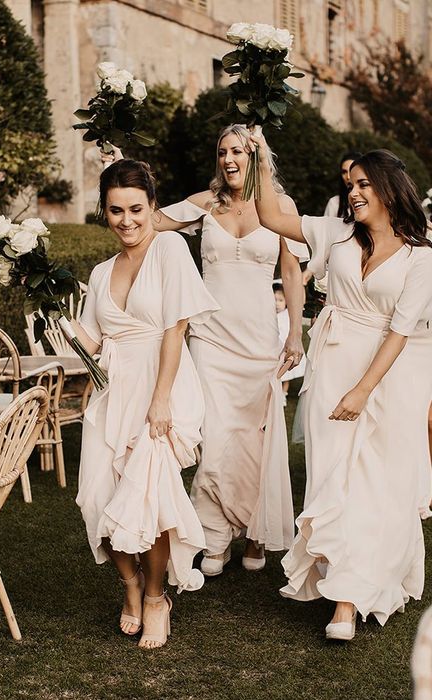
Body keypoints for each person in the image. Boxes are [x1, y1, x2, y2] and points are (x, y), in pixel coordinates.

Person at [251, 134, 432, 641]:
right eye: (350, 184)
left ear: (391, 190)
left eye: (363, 184)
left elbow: (399, 331)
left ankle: (348, 604)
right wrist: (263, 157)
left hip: (389, 378)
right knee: (335, 479)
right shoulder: (334, 234)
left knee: (378, 485)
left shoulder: (422, 257)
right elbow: (269, 215)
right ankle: (343, 588)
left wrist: (363, 391)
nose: (352, 192)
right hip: (333, 364)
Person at [70, 159, 219, 649]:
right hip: (114, 395)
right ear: (104, 214)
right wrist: (52, 310)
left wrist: (160, 401)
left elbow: (176, 329)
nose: (127, 220)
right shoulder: (99, 272)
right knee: (96, 497)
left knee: (149, 499)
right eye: (116, 211)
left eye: (136, 208)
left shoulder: (171, 248)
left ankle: (156, 597)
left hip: (164, 388)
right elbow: (91, 342)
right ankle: (129, 583)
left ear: (153, 207)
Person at [149, 124, 309, 576]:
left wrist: (294, 333)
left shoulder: (281, 207)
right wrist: (119, 167)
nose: (228, 159)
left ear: (255, 154)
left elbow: (293, 274)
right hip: (211, 339)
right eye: (222, 152)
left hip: (260, 341)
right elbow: (151, 220)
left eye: (238, 150)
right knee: (216, 436)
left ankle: (255, 533)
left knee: (256, 441)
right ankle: (216, 536)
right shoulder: (205, 203)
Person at [303, 151, 363, 318]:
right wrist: (310, 270)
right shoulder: (335, 203)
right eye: (344, 172)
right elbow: (325, 240)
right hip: (335, 265)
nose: (348, 176)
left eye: (351, 170)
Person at [274, 281, 306, 400]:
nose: (277, 303)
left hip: (286, 348)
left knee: (286, 373)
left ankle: (283, 394)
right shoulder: (270, 314)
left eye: (280, 300)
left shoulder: (288, 313)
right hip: (275, 348)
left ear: (287, 301)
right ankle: (275, 392)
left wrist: (301, 284)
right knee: (276, 372)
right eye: (274, 300)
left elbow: (300, 300)